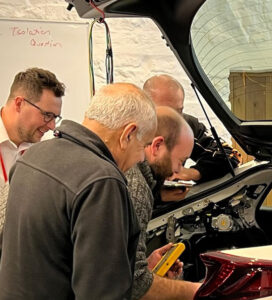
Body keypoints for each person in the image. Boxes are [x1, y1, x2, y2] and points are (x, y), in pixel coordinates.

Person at [0, 83, 157, 299]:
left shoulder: (33, 156)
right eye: (144, 145)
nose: (141, 158)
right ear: (128, 134)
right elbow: (102, 293)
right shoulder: (102, 181)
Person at [126, 106, 201, 300]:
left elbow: (122, 263)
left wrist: (147, 263)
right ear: (157, 146)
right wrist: (198, 291)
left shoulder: (130, 172)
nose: (178, 171)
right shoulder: (137, 189)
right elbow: (136, 285)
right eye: (180, 161)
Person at [143, 75, 239, 189]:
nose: (174, 119)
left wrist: (193, 173)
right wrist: (159, 195)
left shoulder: (187, 125)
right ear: (147, 106)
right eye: (166, 110)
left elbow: (231, 155)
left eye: (178, 110)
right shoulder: (133, 132)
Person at [0, 67, 64, 231]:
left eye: (55, 118)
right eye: (47, 115)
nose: (51, 126)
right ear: (19, 104)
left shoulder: (48, 149)